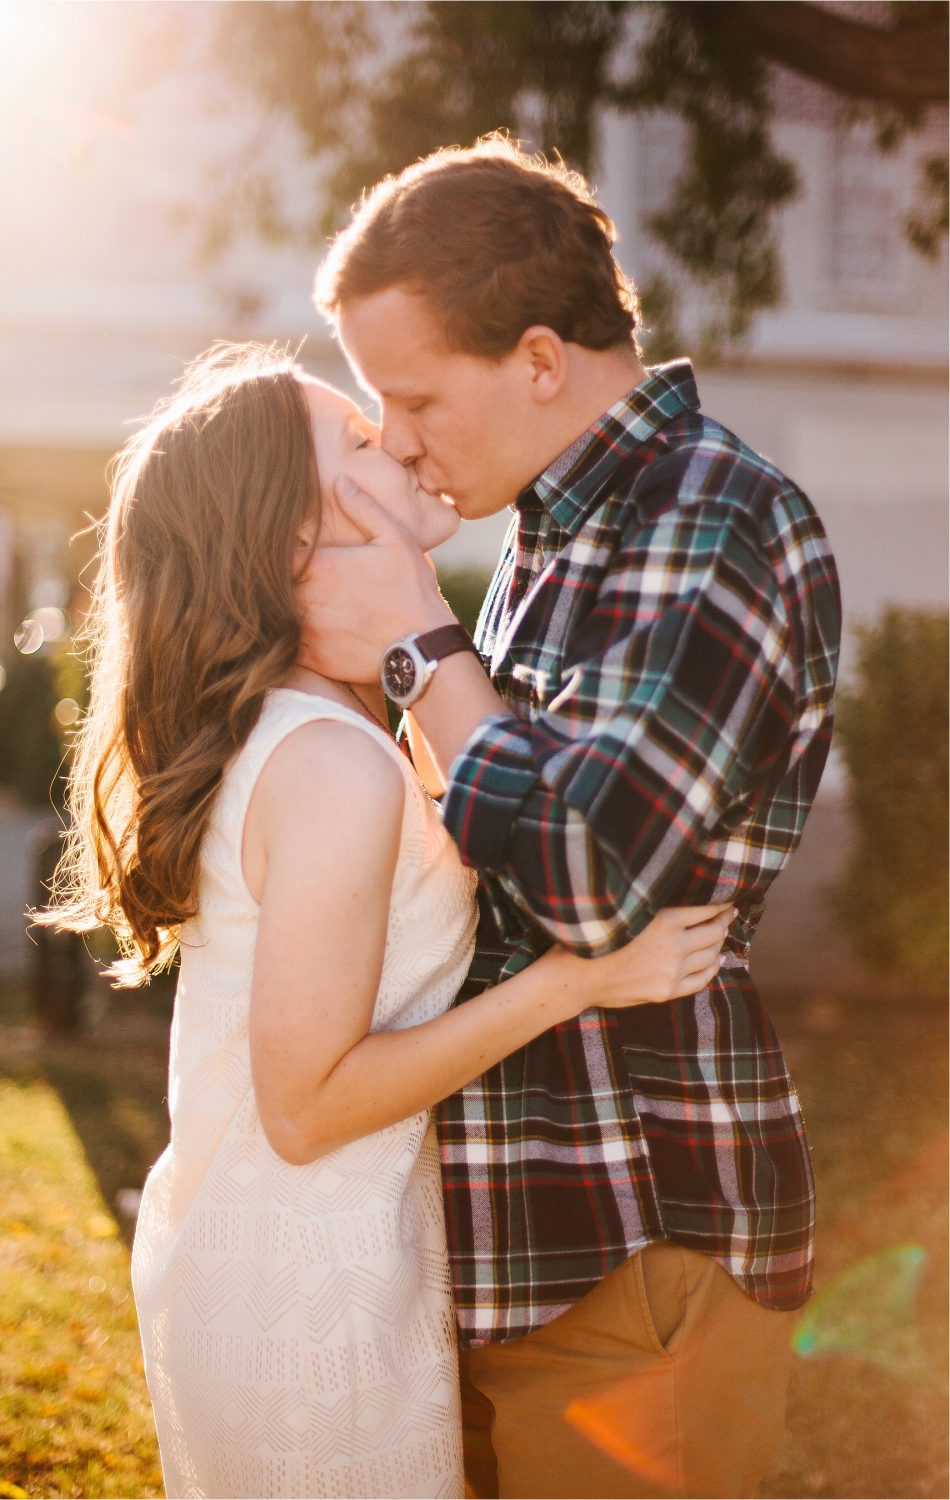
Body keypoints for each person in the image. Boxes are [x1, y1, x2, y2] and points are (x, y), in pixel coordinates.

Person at [44, 342, 732, 1500]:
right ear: (294, 537)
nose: (398, 441)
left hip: (319, 1248)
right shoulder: (329, 766)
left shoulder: (340, 723)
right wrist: (575, 981)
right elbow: (306, 1109)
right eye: (360, 441)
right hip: (310, 1290)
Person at [298, 137, 842, 1499]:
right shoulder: (548, 539)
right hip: (516, 1237)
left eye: (414, 396)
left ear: (541, 359)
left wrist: (420, 649)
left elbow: (593, 876)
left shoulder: (712, 514)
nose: (395, 436)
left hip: (632, 1240)